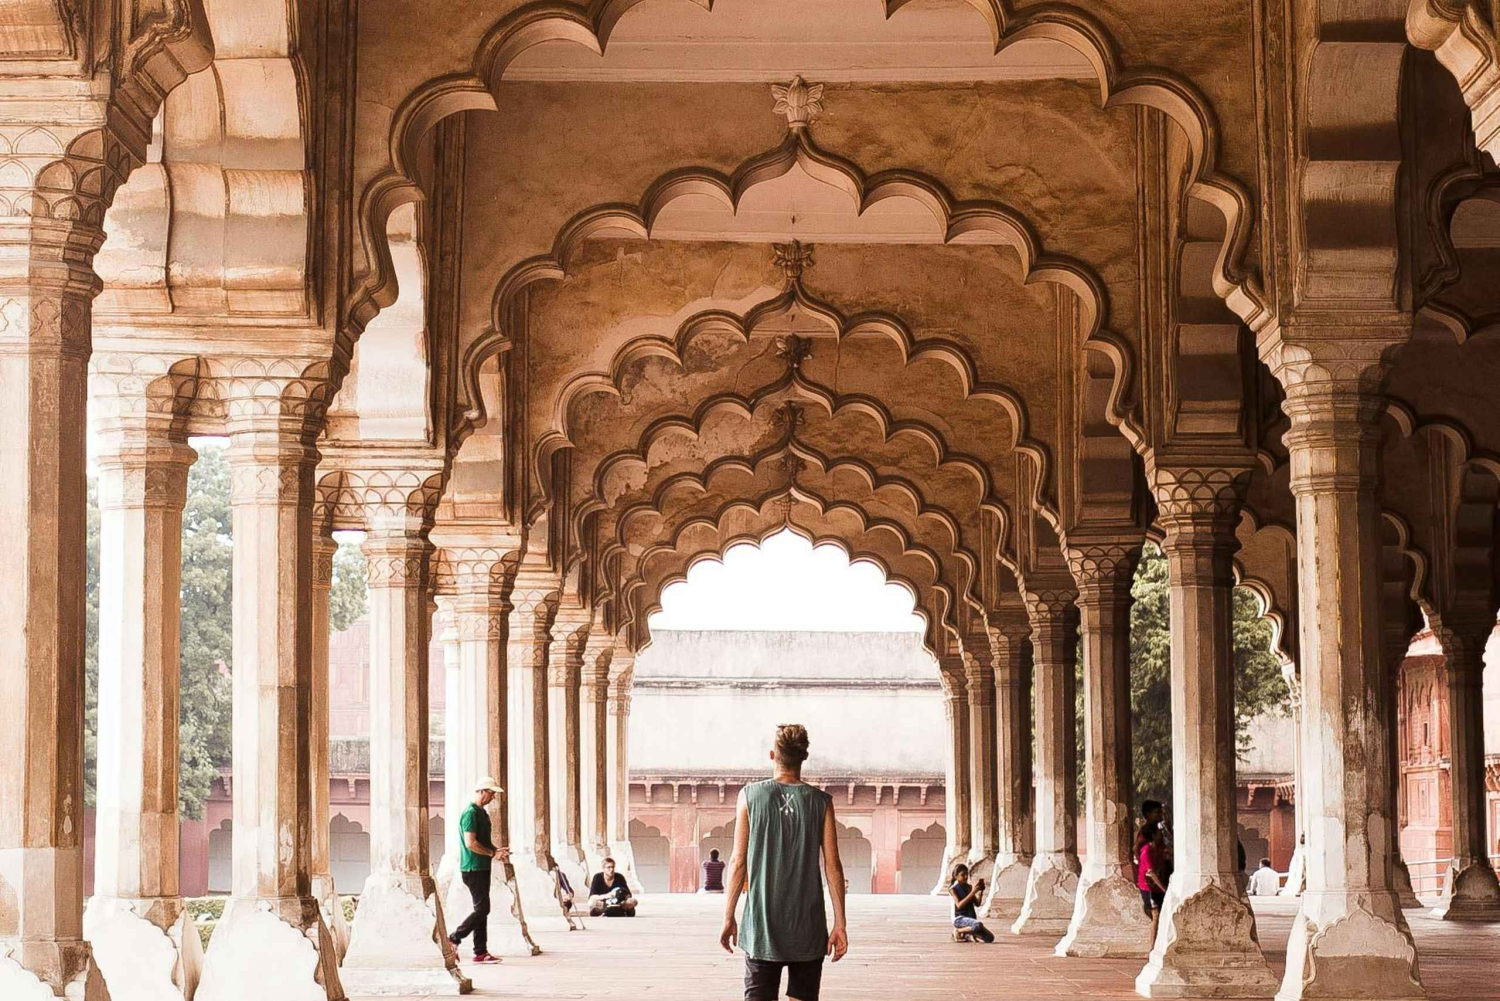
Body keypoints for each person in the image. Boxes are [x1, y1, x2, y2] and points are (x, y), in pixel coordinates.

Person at [720, 724, 848, 1001]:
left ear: (772, 755)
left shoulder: (749, 796)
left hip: (762, 926)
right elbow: (833, 866)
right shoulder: (821, 802)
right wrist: (840, 923)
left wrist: (728, 916)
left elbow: (738, 862)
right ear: (804, 757)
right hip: (808, 927)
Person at [447, 776, 510, 964]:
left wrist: (496, 851)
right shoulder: (470, 814)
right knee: (483, 908)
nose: (493, 797)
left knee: (481, 910)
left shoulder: (482, 813)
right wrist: (492, 853)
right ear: (482, 791)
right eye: (491, 793)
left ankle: (480, 952)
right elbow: (471, 843)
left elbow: (483, 842)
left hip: (482, 867)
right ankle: (454, 938)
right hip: (472, 867)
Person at [1137, 821, 1168, 943]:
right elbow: (1151, 873)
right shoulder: (1146, 851)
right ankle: (1152, 947)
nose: (1161, 833)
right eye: (1158, 831)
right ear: (1153, 835)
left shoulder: (1158, 848)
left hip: (1156, 887)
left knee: (1159, 915)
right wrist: (1164, 889)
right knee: (1156, 915)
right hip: (1148, 887)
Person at [947, 863, 995, 942]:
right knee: (978, 924)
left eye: (967, 875)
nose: (966, 877)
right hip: (960, 919)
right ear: (956, 876)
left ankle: (967, 933)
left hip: (971, 919)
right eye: (963, 875)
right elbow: (959, 905)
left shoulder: (969, 887)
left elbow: (977, 904)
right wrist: (972, 892)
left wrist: (980, 892)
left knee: (990, 938)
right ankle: (958, 931)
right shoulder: (953, 889)